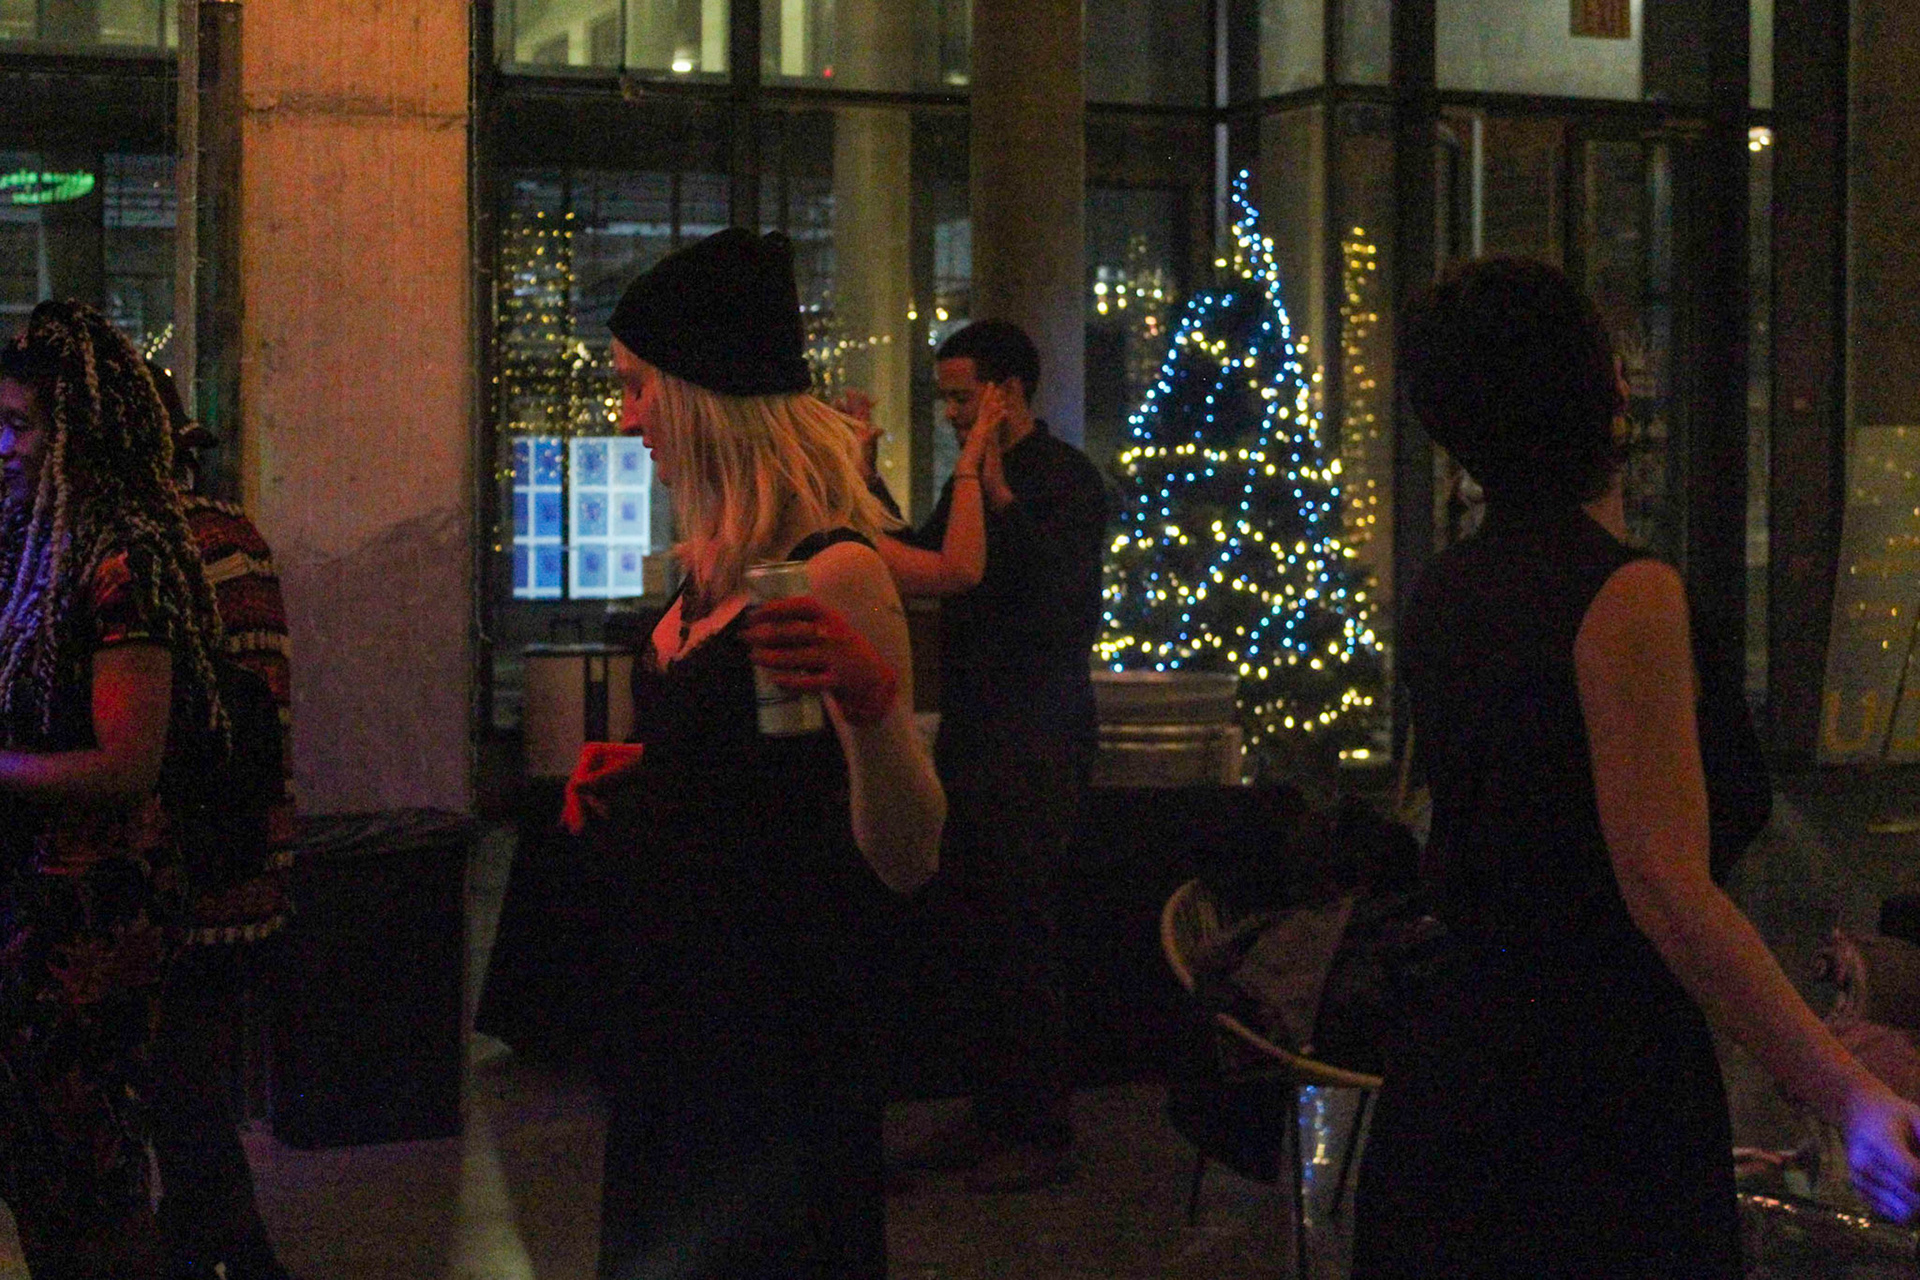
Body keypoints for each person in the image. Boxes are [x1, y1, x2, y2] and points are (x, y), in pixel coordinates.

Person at [1351, 257, 1920, 1277]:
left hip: (1452, 1078)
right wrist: (1848, 1091)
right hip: (1593, 1093)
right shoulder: (1626, 597)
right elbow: (1667, 891)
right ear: (1599, 386)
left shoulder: (1448, 588)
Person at [559, 227, 945, 1280]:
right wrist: (659, 773)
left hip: (774, 1030)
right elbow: (763, 785)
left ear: (703, 395)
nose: (627, 417)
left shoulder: (834, 570)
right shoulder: (709, 568)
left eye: (638, 386)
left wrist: (872, 699)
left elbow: (911, 851)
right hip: (681, 1011)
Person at [0, 301, 228, 1277]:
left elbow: (128, 762)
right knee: (44, 1166)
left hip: (97, 912)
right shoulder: (41, 544)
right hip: (43, 903)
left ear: (79, 433)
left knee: (87, 1171)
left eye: (20, 425)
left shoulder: (124, 557)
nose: (4, 447)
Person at [880, 318, 1109, 1193]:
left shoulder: (1068, 478)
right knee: (977, 923)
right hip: (978, 727)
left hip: (1039, 732)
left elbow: (1062, 598)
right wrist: (863, 479)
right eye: (943, 398)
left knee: (1023, 926)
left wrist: (998, 492)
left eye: (960, 397)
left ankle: (1043, 1129)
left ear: (1008, 393)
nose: (949, 414)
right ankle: (990, 1112)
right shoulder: (968, 481)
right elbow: (932, 559)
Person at [143, 361, 295, 1280]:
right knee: (188, 1097)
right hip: (246, 856)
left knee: (179, 1098)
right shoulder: (229, 530)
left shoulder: (166, 547)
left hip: (193, 866)